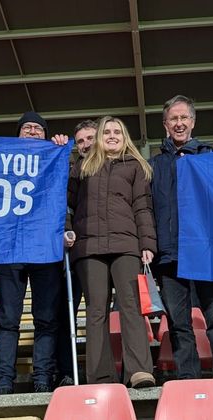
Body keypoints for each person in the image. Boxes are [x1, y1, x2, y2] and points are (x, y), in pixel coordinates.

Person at [65, 116, 156, 388]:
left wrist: (147, 244)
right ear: (100, 137)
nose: (113, 136)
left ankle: (139, 371)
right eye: (108, 132)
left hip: (126, 246)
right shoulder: (81, 167)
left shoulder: (136, 167)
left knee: (131, 306)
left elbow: (142, 207)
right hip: (89, 247)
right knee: (96, 311)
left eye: (118, 132)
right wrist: (67, 230)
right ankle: (101, 376)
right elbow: (66, 206)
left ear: (124, 136)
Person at [150, 95, 213, 380]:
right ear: (165, 125)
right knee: (178, 322)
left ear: (192, 122)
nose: (178, 123)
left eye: (183, 118)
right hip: (169, 253)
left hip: (206, 251)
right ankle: (188, 376)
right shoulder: (153, 166)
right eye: (173, 119)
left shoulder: (211, 157)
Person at [0, 112, 65, 394]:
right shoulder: (1, 162)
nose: (33, 132)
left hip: (44, 249)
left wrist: (60, 150)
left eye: (38, 128)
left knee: (46, 319)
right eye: (27, 128)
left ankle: (43, 378)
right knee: (7, 320)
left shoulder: (55, 158)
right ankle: (3, 381)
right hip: (9, 250)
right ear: (18, 134)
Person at [52, 119, 96, 388]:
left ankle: (104, 369)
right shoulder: (71, 169)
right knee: (66, 312)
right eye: (80, 141)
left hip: (106, 249)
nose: (85, 145)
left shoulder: (116, 165)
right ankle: (68, 370)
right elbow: (61, 203)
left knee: (100, 312)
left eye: (90, 138)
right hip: (77, 250)